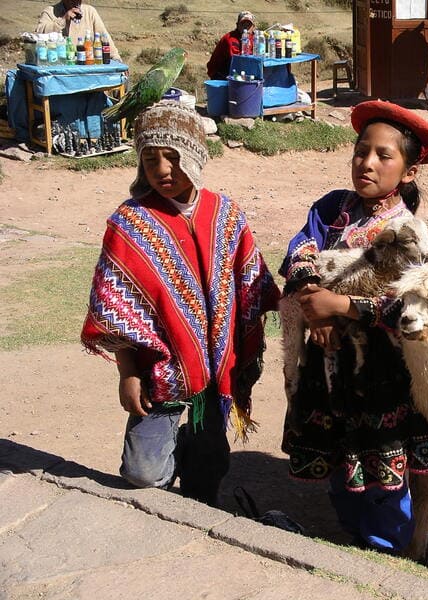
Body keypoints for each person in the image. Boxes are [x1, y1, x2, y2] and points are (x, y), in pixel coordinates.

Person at [81, 101, 280, 507]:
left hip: (216, 371)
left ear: (195, 155)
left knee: (206, 477)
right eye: (150, 158)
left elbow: (250, 283)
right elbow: (116, 310)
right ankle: (170, 453)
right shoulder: (130, 224)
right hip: (159, 372)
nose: (163, 169)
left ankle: (196, 462)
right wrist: (128, 374)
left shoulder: (226, 215)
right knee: (145, 474)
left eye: (173, 157)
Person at [279, 100, 428, 555]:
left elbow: (407, 309)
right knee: (337, 457)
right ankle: (355, 533)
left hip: (380, 375)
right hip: (324, 363)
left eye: (383, 156)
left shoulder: (409, 233)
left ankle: (388, 547)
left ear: (410, 171)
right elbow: (300, 249)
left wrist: (340, 306)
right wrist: (314, 301)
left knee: (381, 464)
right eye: (360, 151)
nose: (367, 163)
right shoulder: (331, 208)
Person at [36, 0, 120, 61]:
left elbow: (104, 36)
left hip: (86, 63)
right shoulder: (50, 11)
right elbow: (39, 34)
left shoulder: (90, 11)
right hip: (59, 64)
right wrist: (63, 20)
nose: (76, 2)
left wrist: (116, 57)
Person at [207, 11, 256, 80]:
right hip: (221, 74)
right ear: (237, 25)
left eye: (249, 24)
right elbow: (237, 60)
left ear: (253, 27)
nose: (246, 27)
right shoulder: (230, 39)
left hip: (238, 72)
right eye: (243, 23)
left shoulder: (255, 38)